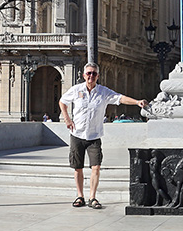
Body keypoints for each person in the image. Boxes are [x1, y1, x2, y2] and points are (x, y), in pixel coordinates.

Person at [59, 62, 148, 210]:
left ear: (98, 76)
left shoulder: (103, 92)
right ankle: (80, 196)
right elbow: (62, 102)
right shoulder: (76, 90)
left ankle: (92, 197)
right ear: (84, 75)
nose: (91, 76)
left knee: (96, 167)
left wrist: (137, 102)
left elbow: (120, 98)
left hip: (94, 135)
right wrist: (67, 118)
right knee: (77, 167)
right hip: (77, 134)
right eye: (89, 73)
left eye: (94, 73)